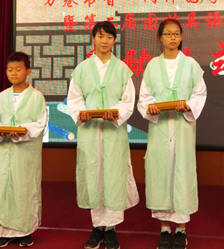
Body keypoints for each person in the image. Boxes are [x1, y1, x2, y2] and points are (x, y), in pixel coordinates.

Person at [66, 21, 138, 249]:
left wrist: (115, 113)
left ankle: (112, 228)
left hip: (113, 132)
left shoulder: (123, 69)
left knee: (113, 175)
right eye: (100, 36)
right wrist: (81, 113)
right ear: (93, 38)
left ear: (114, 40)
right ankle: (97, 227)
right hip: (89, 132)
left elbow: (128, 101)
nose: (104, 41)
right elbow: (74, 99)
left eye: (109, 37)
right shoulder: (81, 69)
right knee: (93, 175)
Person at [137, 18, 207, 249]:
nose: (173, 38)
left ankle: (182, 230)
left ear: (182, 36)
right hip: (159, 128)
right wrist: (151, 107)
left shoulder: (191, 64)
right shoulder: (152, 65)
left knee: (182, 172)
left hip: (183, 128)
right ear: (159, 38)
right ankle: (165, 229)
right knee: (161, 173)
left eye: (176, 33)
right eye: (168, 34)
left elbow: (199, 93)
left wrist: (189, 106)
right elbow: (144, 96)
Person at [0, 52, 47, 248]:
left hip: (26, 153)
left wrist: (21, 131)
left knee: (24, 188)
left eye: (18, 69)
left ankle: (25, 231)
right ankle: (3, 231)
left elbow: (40, 123)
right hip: (4, 151)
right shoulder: (0, 97)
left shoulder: (37, 97)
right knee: (3, 188)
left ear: (28, 71)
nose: (14, 73)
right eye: (10, 70)